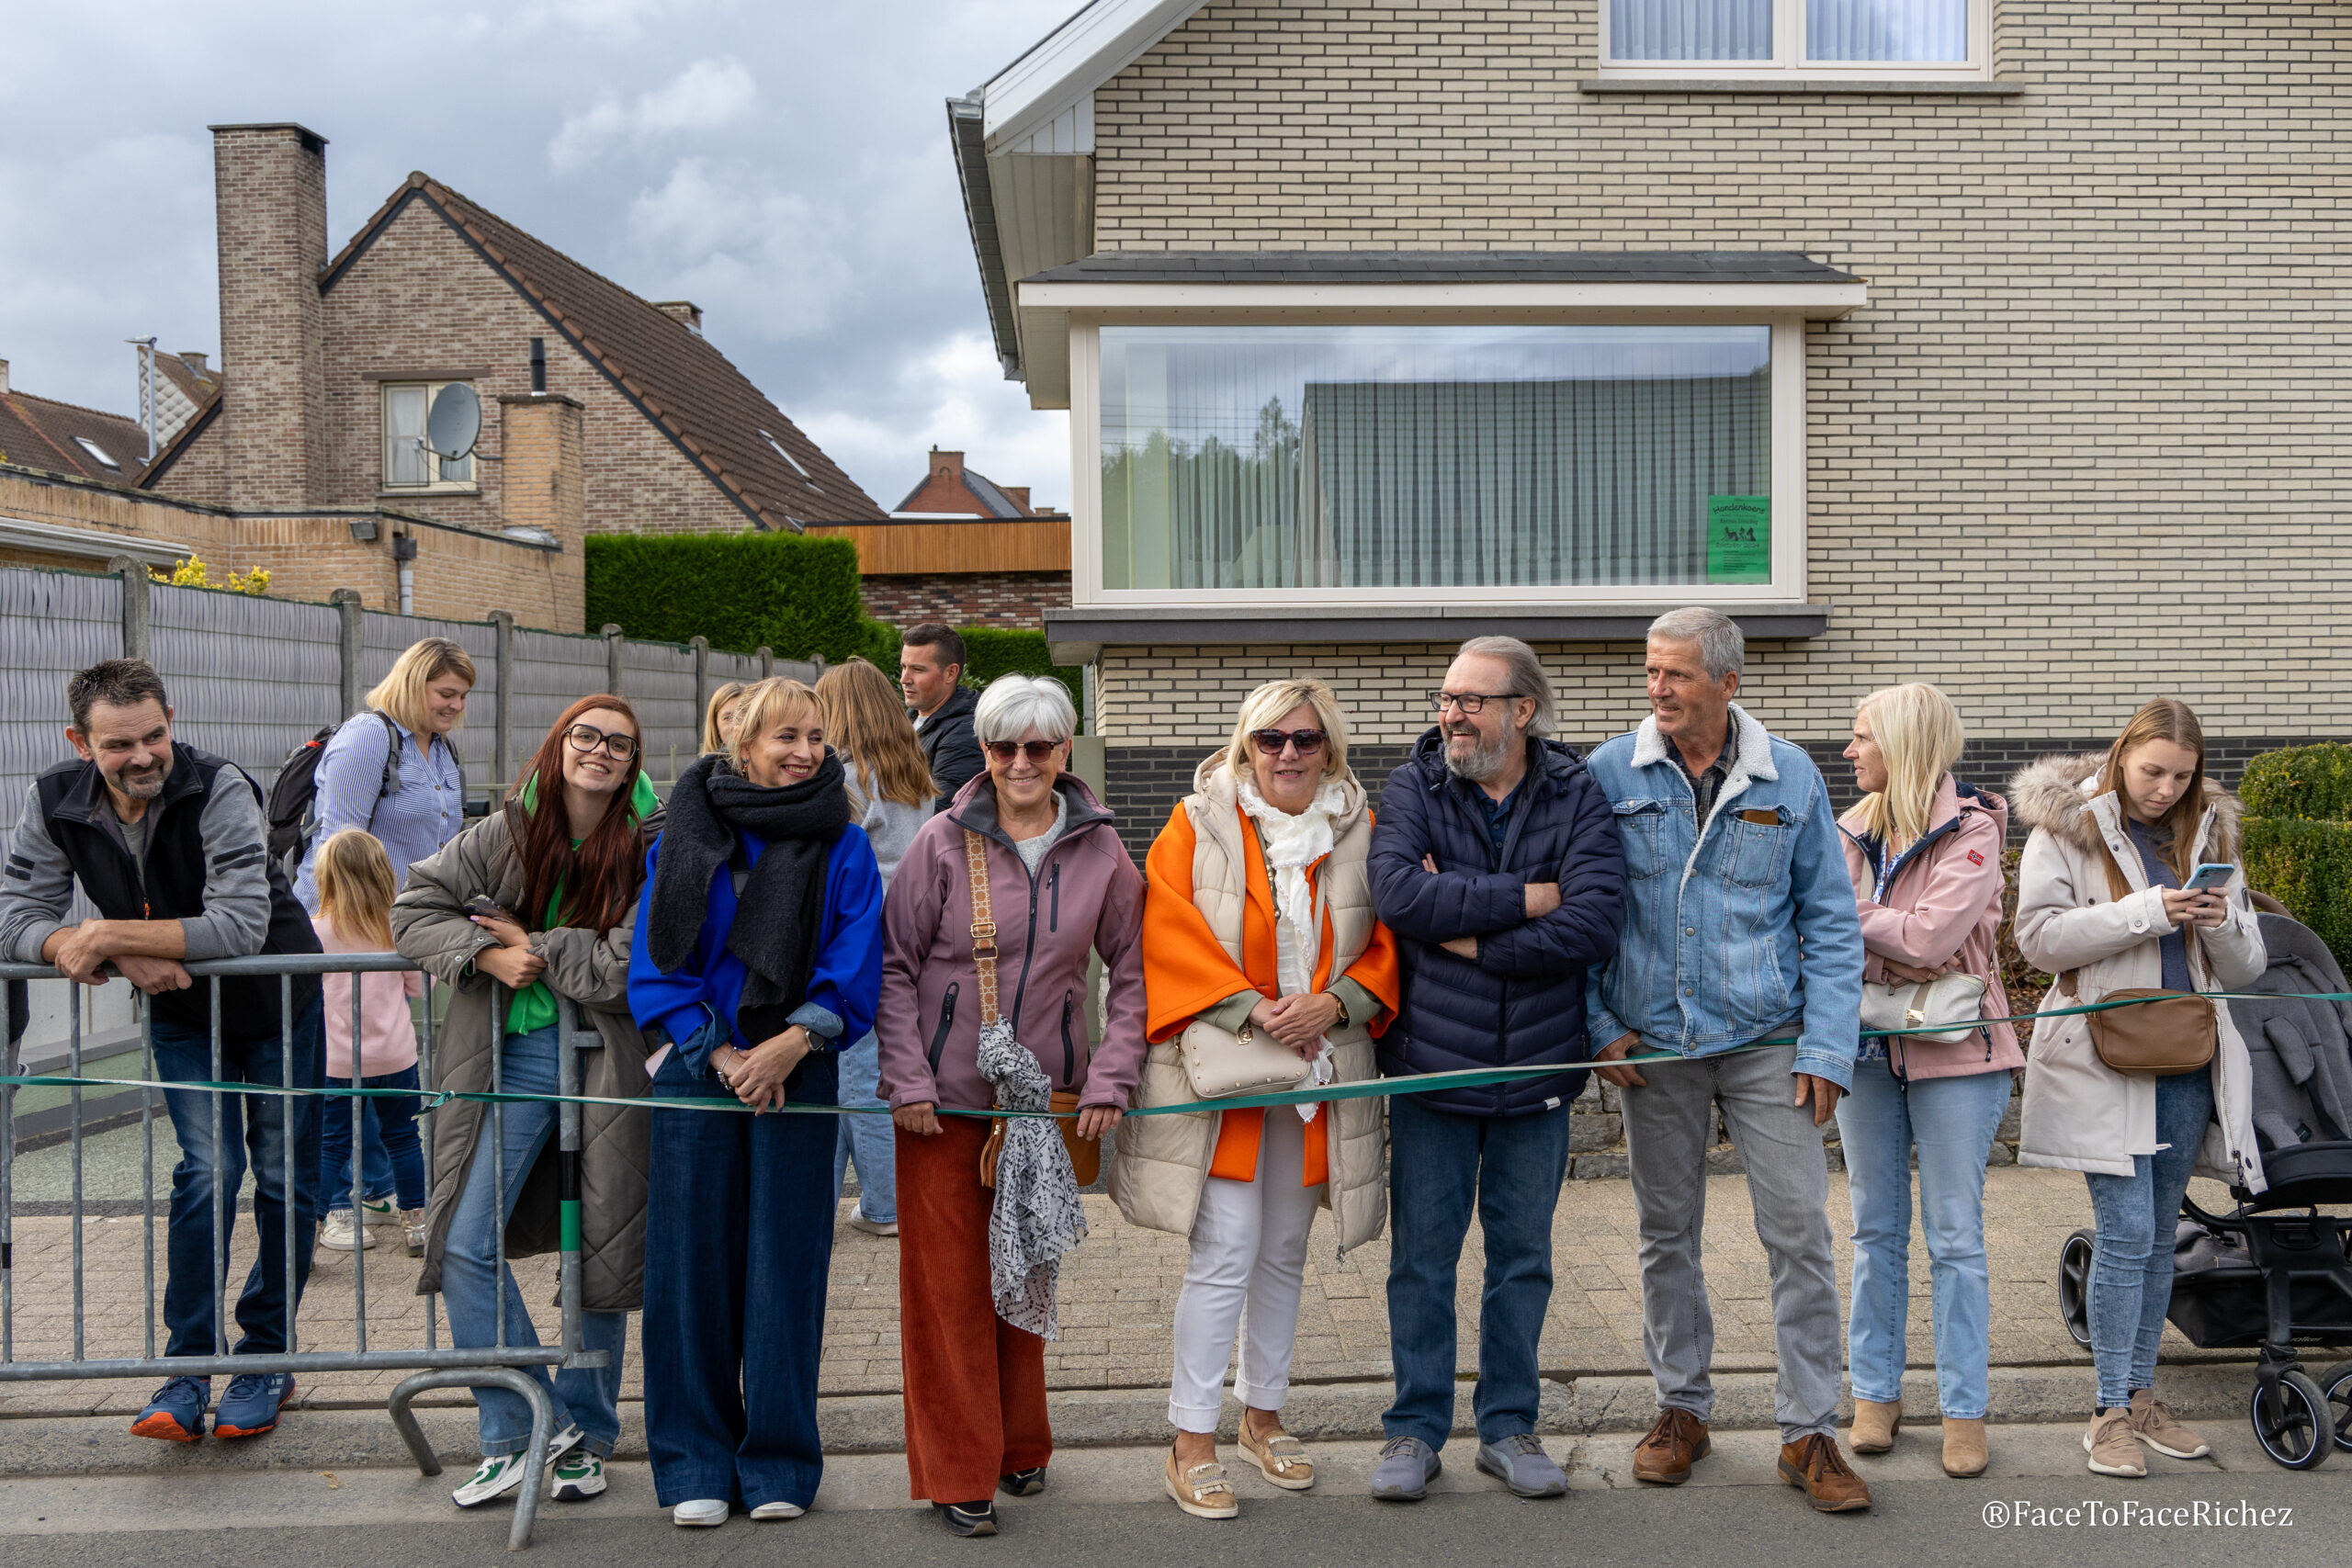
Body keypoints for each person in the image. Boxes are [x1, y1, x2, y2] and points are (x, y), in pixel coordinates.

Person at [1582, 607, 1871, 1513]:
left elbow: (1829, 921)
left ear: (1727, 683)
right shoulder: (1606, 773)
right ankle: (1680, 1410)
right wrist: (1595, 1020)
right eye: (1650, 673)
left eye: (1674, 674)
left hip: (1767, 1044)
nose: (1656, 689)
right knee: (1665, 1234)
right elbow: (1585, 914)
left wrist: (1827, 1043)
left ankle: (1809, 1430)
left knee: (1799, 1235)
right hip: (1652, 1047)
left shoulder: (1788, 775)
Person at [0, 658, 324, 1443]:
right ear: (80, 741)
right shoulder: (52, 801)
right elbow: (14, 918)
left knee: (282, 1175)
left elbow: (241, 924)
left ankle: (266, 1360)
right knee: (207, 1170)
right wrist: (109, 953)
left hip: (279, 1001)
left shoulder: (218, 787)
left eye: (155, 734)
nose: (144, 755)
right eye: (119, 745)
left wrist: (104, 934)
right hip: (182, 1010)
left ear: (171, 718)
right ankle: (187, 1366)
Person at [1114, 678, 1400, 1519]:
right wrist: (1252, 1007)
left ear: (1330, 749)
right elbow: (1164, 927)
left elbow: (1387, 937)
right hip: (1232, 1066)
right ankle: (1191, 1436)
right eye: (1269, 739)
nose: (1287, 754)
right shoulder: (1194, 822)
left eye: (1305, 740)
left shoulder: (1360, 827)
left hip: (1318, 1068)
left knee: (1283, 1249)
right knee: (1226, 1249)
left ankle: (1264, 1417)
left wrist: (1337, 1001)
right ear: (1245, 745)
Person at [877, 673, 1147, 1538]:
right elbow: (895, 968)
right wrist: (907, 1077)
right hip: (944, 1107)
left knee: (1024, 1267)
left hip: (1045, 1103)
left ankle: (1021, 1443)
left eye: (1039, 745)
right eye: (1004, 747)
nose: (1021, 762)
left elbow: (1133, 976)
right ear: (983, 752)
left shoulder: (1104, 850)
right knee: (949, 1289)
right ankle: (961, 1466)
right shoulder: (938, 844)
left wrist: (1112, 1075)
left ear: (1066, 749)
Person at [1363, 637, 1625, 1504]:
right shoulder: (1415, 785)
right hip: (1434, 1072)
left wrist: (1466, 930)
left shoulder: (1576, 791)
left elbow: (1593, 923)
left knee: (1523, 1258)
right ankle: (1414, 1429)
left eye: (1472, 699)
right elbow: (1400, 897)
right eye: (1447, 697)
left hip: (1540, 1073)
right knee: (1422, 1259)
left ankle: (1510, 1425)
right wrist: (1526, 895)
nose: (1452, 713)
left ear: (1523, 710)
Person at [392, 695, 662, 1510]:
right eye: (587, 736)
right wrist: (483, 951)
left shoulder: (653, 841)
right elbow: (413, 909)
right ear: (560, 742)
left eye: (619, 743)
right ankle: (520, 1431)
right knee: (464, 1239)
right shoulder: (508, 829)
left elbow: (626, 967)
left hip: (611, 1063)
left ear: (633, 761)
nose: (601, 752)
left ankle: (587, 1436)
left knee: (600, 1252)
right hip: (511, 1054)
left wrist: (529, 943)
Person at [628, 678, 885, 1528]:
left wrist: (792, 1042)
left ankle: (776, 1461)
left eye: (816, 736)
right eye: (786, 736)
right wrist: (728, 1054)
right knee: (689, 1267)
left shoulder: (842, 841)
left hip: (798, 1067)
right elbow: (658, 963)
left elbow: (855, 957)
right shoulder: (687, 832)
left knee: (785, 1267)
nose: (806, 751)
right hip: (703, 1069)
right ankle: (693, 1459)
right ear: (744, 747)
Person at [2011, 698, 2266, 1478]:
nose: (2164, 788)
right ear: (2122, 755)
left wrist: (2218, 920)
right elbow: (2038, 939)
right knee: (2123, 1234)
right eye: (2152, 770)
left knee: (2158, 1235)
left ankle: (2143, 1395)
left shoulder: (2211, 831)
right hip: (2101, 1053)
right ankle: (2107, 1412)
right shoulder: (2066, 826)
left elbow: (2249, 965)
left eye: (2181, 775)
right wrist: (2149, 911)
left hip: (2186, 1052)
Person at [1834, 684, 2024, 1479]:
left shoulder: (1973, 831)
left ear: (1905, 743)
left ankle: (1964, 1409)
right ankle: (1874, 1393)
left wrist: (1849, 914)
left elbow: (1933, 935)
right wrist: (1880, 928)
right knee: (1875, 1231)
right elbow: (1837, 930)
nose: (1848, 750)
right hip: (1866, 1049)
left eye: (1861, 736)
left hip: (1961, 1053)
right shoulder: (1847, 827)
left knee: (1954, 1237)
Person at [293, 635, 474, 1251]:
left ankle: (374, 1193)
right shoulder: (369, 737)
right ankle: (342, 1199)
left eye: (463, 696)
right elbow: (336, 834)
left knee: (380, 1063)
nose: (455, 705)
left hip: (405, 922)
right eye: (446, 693)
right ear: (413, 683)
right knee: (341, 1067)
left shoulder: (442, 749)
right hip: (350, 921)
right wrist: (352, 918)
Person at [814, 657, 935, 1239]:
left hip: (861, 939)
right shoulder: (912, 770)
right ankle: (833, 1200)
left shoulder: (845, 779)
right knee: (857, 1071)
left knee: (860, 1077)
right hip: (913, 935)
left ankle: (887, 1206)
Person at [310, 829, 428, 1258]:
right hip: (396, 1054)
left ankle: (313, 1224)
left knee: (331, 1143)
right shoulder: (396, 929)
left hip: (335, 1059)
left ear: (325, 878)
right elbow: (418, 986)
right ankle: (417, 1224)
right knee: (403, 1137)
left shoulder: (315, 933)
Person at [900, 623, 982, 811]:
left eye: (918, 669)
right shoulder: (906, 720)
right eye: (904, 667)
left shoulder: (967, 731)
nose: (904, 678)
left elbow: (942, 809)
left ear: (950, 673)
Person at [701, 681, 748, 755]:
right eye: (728, 718)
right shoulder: (702, 766)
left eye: (742, 716)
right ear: (715, 724)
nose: (735, 725)